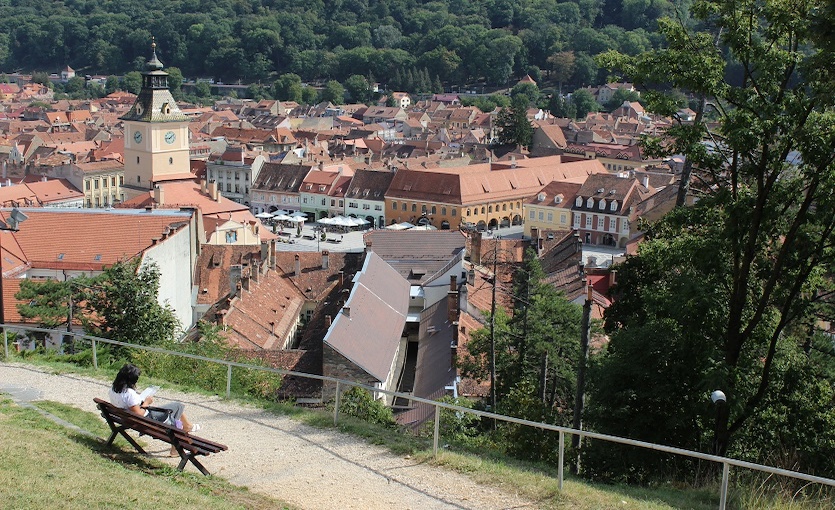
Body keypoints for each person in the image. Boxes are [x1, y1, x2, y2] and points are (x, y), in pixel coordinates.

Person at [109, 363, 201, 456]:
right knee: (177, 407)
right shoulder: (129, 393)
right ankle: (176, 446)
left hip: (126, 419)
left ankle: (187, 426)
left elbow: (130, 407)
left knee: (176, 408)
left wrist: (141, 402)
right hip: (146, 421)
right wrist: (146, 402)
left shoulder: (113, 389)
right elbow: (139, 414)